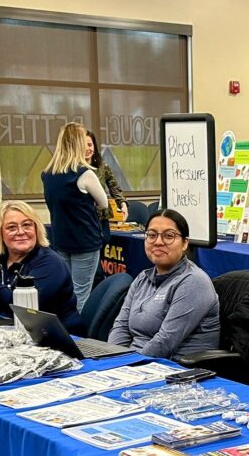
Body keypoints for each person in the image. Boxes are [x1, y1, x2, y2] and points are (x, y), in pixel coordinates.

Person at [107, 209, 219, 359]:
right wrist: (112, 360)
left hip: (173, 368)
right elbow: (121, 326)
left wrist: (125, 364)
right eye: (152, 235)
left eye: (169, 236)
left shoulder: (194, 281)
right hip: (133, 362)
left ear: (185, 243)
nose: (158, 242)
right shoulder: (142, 277)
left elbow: (165, 342)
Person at [0, 200, 81, 333]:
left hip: (58, 339)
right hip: (10, 334)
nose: (21, 232)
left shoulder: (51, 263)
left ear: (36, 229)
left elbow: (24, 312)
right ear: (0, 233)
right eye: (11, 227)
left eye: (27, 225)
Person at [41, 121, 109, 312]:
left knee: (66, 290)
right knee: (81, 293)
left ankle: (66, 329)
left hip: (61, 240)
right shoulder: (85, 174)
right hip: (85, 241)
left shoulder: (47, 174)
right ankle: (79, 336)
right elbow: (103, 203)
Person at [86, 129, 126, 237]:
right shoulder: (76, 170)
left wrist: (122, 203)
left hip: (102, 217)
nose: (87, 149)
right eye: (83, 145)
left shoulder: (103, 167)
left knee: (105, 241)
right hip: (84, 219)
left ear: (94, 147)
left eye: (90, 145)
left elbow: (115, 188)